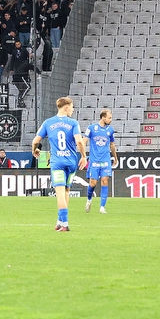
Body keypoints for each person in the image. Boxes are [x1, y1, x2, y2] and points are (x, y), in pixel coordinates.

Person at [31, 97, 87, 232]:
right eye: (72, 107)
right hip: (71, 162)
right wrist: (84, 157)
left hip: (57, 162)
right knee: (67, 190)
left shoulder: (48, 123)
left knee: (60, 193)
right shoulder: (73, 123)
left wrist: (35, 150)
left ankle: (65, 223)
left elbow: (35, 141)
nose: (73, 110)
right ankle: (60, 220)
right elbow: (79, 142)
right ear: (66, 107)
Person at [83, 109, 117, 214]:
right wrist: (83, 156)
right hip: (94, 160)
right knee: (93, 183)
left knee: (105, 181)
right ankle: (89, 199)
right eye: (109, 118)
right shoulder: (91, 128)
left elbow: (112, 144)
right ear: (103, 117)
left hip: (105, 159)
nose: (111, 120)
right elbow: (84, 141)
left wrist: (115, 157)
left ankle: (102, 207)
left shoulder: (110, 130)